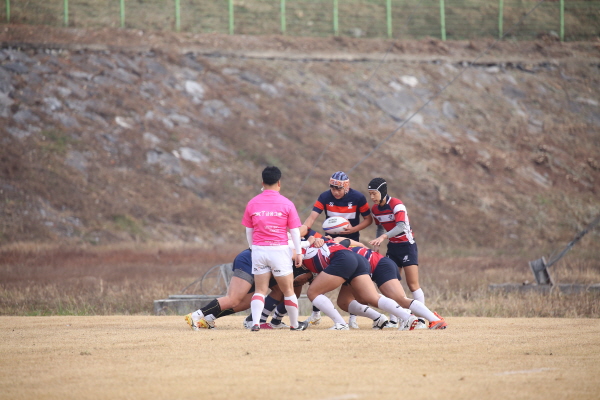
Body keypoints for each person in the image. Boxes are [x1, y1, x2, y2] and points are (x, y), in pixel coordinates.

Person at [301, 171, 373, 327]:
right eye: (332, 188)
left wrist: (353, 229)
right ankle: (315, 314)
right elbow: (311, 218)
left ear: (346, 187)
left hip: (351, 242)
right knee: (320, 276)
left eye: (338, 188)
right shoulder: (325, 197)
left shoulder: (358, 197)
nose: (335, 192)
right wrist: (301, 231)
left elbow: (369, 220)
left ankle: (353, 317)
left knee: (353, 280)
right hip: (330, 243)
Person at [242, 166, 308, 331]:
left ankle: (255, 323)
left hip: (259, 250)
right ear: (279, 182)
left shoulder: (252, 203)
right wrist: (299, 253)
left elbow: (249, 231)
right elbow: (294, 231)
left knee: (260, 290)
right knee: (288, 290)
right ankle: (294, 325)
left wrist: (252, 248)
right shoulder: (287, 203)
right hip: (279, 251)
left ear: (262, 182)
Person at [302, 239, 421, 331]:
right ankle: (407, 317)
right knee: (372, 298)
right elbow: (337, 240)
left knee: (313, 292)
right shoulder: (316, 241)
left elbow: (302, 243)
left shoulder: (297, 247)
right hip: (358, 259)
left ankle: (340, 324)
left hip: (344, 259)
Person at [334, 237, 447, 330]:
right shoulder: (334, 247)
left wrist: (364, 249)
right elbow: (347, 241)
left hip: (379, 265)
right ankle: (382, 318)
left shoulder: (332, 246)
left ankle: (433, 319)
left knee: (399, 299)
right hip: (360, 269)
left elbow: (342, 240)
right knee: (345, 301)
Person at [184, 248, 282, 330]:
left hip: (268, 266)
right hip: (250, 261)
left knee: (247, 302)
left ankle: (208, 318)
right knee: (233, 299)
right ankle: (195, 315)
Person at [368, 177, 425, 309]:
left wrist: (383, 237)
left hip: (407, 246)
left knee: (412, 284)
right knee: (392, 285)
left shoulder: (397, 205)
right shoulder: (375, 209)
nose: (372, 197)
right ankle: (396, 317)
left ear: (382, 192)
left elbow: (401, 226)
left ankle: (421, 316)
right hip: (392, 247)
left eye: (374, 193)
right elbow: (380, 227)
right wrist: (377, 243)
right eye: (370, 194)